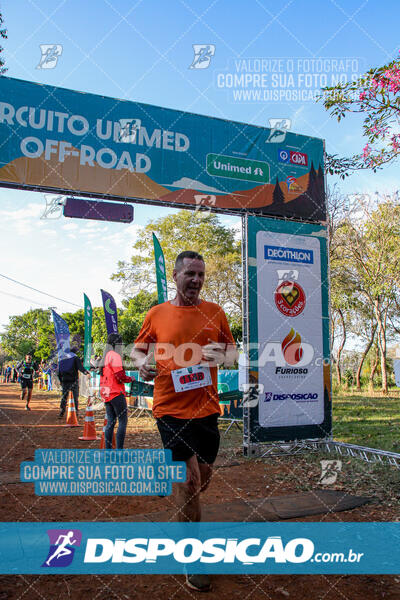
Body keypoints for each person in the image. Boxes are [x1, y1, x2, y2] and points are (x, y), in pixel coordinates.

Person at [132, 251, 237, 593]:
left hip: (206, 411)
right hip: (169, 410)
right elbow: (137, 350)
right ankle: (193, 556)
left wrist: (221, 355)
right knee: (190, 484)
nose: (196, 280)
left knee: (202, 481)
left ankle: (181, 502)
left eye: (201, 274)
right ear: (175, 276)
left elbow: (234, 353)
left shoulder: (215, 313)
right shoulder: (157, 313)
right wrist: (141, 364)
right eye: (190, 273)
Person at [100, 333, 134, 449]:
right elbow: (119, 375)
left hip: (106, 393)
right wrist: (130, 379)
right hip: (115, 392)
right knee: (123, 421)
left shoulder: (105, 356)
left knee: (110, 422)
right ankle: (120, 450)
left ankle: (108, 450)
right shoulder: (115, 355)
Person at [57, 348, 90, 418]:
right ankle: (76, 412)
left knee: (64, 397)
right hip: (73, 380)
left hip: (65, 381)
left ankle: (62, 412)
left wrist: (60, 381)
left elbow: (59, 371)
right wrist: (86, 373)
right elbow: (80, 368)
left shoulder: (62, 359)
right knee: (75, 397)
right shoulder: (75, 358)